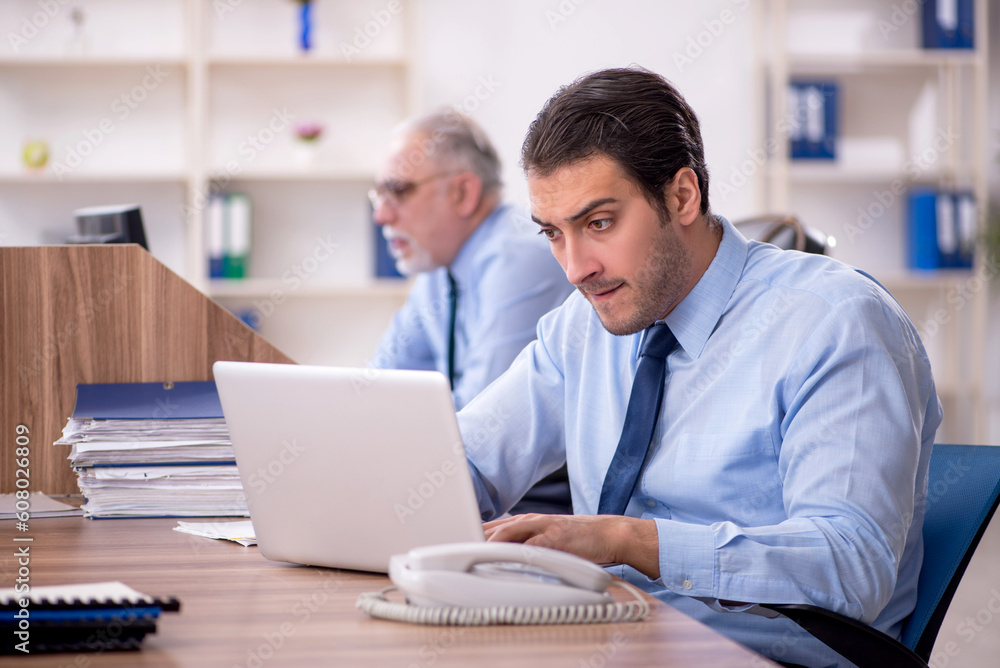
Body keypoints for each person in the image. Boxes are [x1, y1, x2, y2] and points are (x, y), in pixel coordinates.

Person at [456, 67, 942, 668]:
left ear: (682, 196)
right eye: (554, 234)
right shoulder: (583, 325)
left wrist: (624, 540)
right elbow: (465, 463)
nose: (575, 267)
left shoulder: (836, 320)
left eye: (599, 223)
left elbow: (848, 565)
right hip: (611, 641)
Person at [369, 109, 575, 514]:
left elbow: (481, 432)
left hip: (529, 502)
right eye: (378, 195)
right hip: (458, 480)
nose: (382, 215)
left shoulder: (519, 256)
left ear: (463, 193)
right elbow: (378, 389)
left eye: (398, 191)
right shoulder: (438, 264)